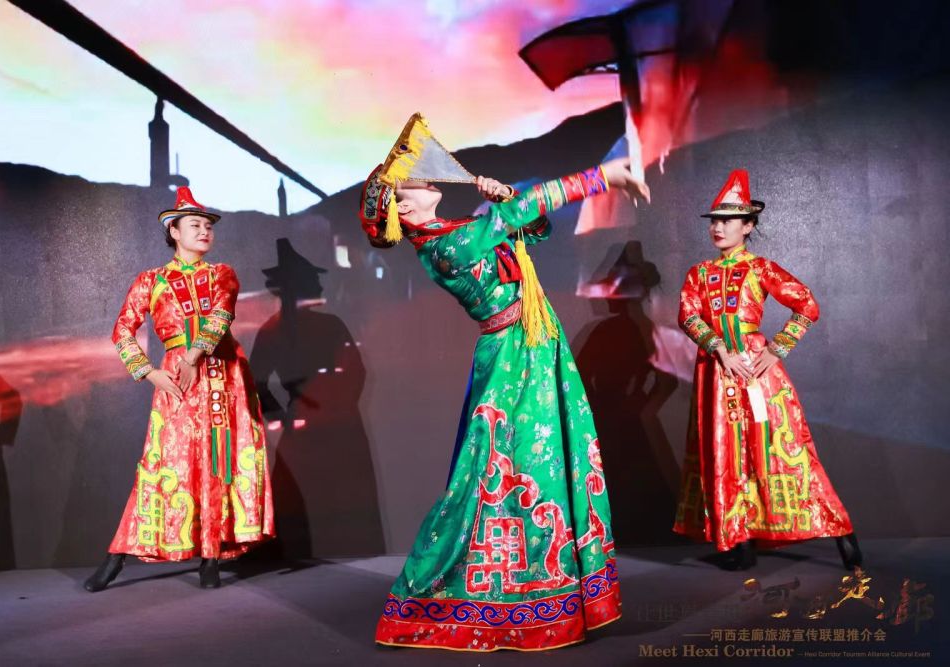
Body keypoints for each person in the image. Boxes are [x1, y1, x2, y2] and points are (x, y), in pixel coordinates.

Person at [360, 152, 649, 651]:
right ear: (403, 210)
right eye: (410, 181)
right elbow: (518, 216)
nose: (423, 177)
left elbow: (534, 231)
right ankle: (465, 595)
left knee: (542, 464)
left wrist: (507, 197)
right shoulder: (445, 246)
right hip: (512, 355)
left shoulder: (457, 230)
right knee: (504, 470)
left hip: (531, 343)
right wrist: (601, 176)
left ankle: (550, 587)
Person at [84, 186, 274, 592]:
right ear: (174, 232)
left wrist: (193, 357)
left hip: (223, 377)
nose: (204, 231)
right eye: (195, 225)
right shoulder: (150, 281)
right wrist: (149, 373)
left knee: (219, 463)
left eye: (208, 226)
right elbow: (122, 330)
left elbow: (220, 315)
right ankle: (117, 555)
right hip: (175, 381)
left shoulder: (222, 274)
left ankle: (211, 557)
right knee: (166, 464)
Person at [673, 169, 861, 571]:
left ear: (748, 226)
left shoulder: (761, 269)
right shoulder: (699, 274)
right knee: (724, 453)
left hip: (757, 374)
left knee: (781, 451)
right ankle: (739, 540)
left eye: (728, 220)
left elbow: (806, 304)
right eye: (715, 221)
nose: (719, 227)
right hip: (717, 372)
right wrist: (717, 347)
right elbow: (687, 315)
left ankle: (838, 526)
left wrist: (778, 348)